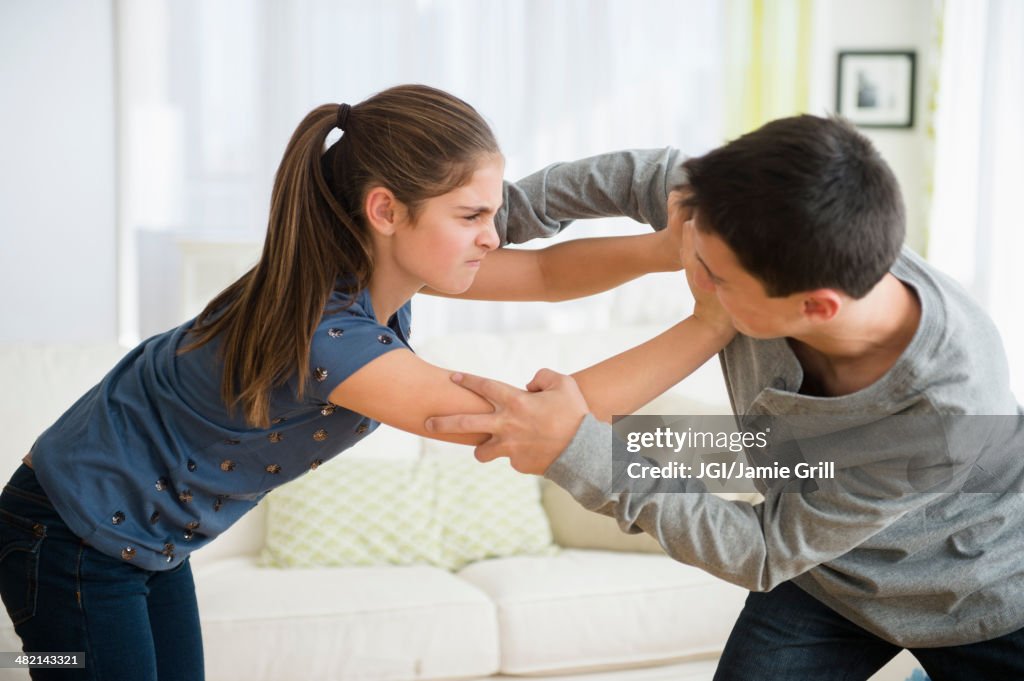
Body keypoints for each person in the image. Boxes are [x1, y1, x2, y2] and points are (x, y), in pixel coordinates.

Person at [0, 84, 733, 681]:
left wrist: (666, 249)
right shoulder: (330, 336)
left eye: (493, 211)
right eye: (471, 214)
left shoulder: (368, 266)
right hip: (64, 536)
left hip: (145, 537)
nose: (493, 234)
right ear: (385, 209)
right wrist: (713, 322)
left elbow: (542, 272)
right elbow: (535, 419)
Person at [426, 115, 1024, 681]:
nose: (689, 268)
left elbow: (763, 549)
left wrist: (585, 452)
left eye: (714, 276)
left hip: (977, 590)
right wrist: (486, 226)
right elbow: (648, 175)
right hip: (823, 574)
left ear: (814, 309)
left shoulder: (946, 409)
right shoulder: (751, 213)